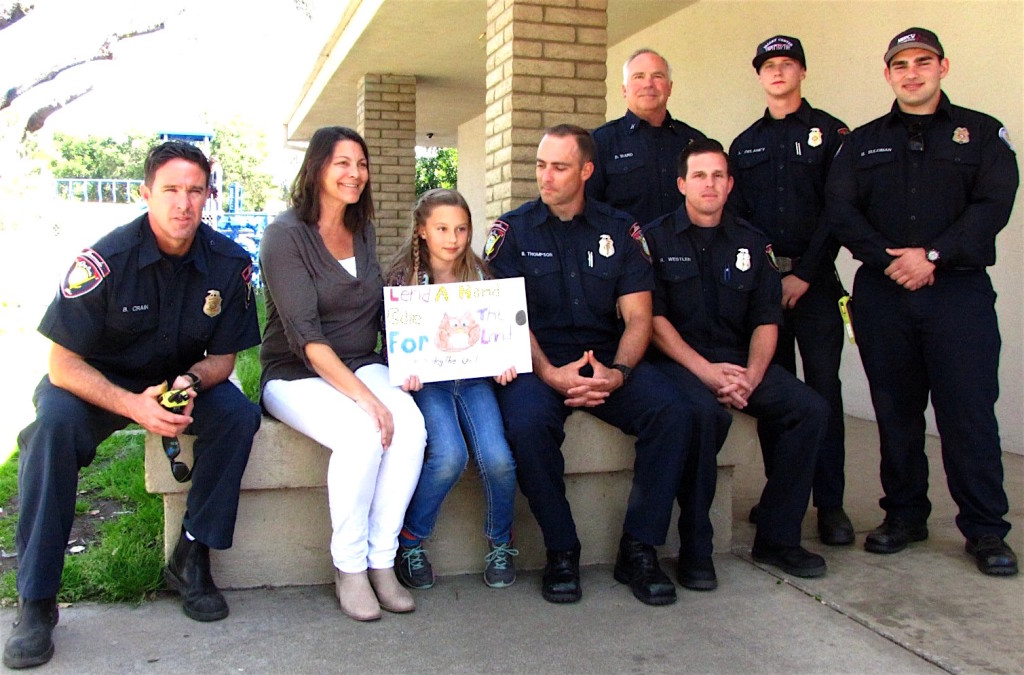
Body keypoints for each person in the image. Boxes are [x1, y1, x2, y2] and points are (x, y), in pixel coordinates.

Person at [4, 142, 262, 669]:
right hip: (97, 383)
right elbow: (62, 365)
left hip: (174, 380)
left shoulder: (229, 262)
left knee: (237, 415)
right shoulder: (105, 261)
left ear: (209, 196)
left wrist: (190, 380)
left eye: (195, 191)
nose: (183, 203)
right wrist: (131, 405)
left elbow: (225, 361)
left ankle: (192, 554)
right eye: (170, 190)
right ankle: (36, 599)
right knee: (49, 430)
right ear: (145, 194)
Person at [827, 28, 1019, 575]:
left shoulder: (980, 135)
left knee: (968, 413)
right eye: (901, 64)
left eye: (923, 62)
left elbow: (994, 204)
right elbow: (841, 210)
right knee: (896, 411)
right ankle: (905, 515)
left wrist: (932, 254)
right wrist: (891, 261)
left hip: (957, 292)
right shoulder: (861, 142)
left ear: (943, 67)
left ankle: (985, 531)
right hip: (884, 294)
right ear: (887, 74)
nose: (912, 72)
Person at [484, 124, 691, 606]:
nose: (547, 176)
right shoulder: (512, 232)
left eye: (559, 166)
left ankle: (639, 549)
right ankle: (562, 550)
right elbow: (508, 316)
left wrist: (617, 372)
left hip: (606, 359)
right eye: (541, 165)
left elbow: (639, 316)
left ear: (586, 170)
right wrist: (549, 372)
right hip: (540, 362)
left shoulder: (620, 230)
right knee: (528, 425)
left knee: (673, 413)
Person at [258, 126, 427, 621]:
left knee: (412, 429)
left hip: (359, 362)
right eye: (342, 163)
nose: (355, 174)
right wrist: (369, 401)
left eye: (361, 164)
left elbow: (376, 310)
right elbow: (307, 339)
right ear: (316, 169)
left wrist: (416, 356)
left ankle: (381, 560)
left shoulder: (364, 229)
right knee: (363, 433)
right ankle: (349, 567)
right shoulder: (285, 236)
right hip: (294, 374)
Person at [645, 138, 830, 581]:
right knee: (705, 416)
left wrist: (750, 377)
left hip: (739, 364)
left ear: (729, 185)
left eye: (717, 176)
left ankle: (778, 537)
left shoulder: (752, 241)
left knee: (809, 411)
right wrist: (707, 373)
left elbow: (767, 319)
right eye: (699, 176)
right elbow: (653, 320)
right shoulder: (653, 239)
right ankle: (696, 548)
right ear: (681, 184)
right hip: (678, 363)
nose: (709, 184)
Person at [728, 35, 854, 546]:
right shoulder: (744, 144)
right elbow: (739, 222)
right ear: (759, 76)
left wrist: (805, 274)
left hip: (817, 283)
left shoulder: (833, 133)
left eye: (787, 64)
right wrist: (768, 278)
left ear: (802, 72)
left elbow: (840, 210)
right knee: (775, 396)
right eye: (768, 66)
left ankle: (831, 505)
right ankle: (785, 495)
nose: (777, 72)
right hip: (766, 289)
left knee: (824, 392)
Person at [384, 188, 519, 590]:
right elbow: (390, 338)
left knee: (499, 459)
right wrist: (404, 370)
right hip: (429, 384)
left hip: (476, 380)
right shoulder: (401, 278)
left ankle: (501, 541)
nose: (453, 238)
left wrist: (504, 359)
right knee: (448, 455)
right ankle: (409, 540)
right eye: (441, 228)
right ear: (422, 231)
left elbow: (499, 332)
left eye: (461, 228)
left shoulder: (481, 275)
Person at [587, 48, 706, 227]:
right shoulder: (600, 142)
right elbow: (588, 209)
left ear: (670, 87)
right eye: (638, 76)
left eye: (657, 76)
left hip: (686, 252)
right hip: (624, 253)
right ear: (624, 89)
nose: (648, 84)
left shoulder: (694, 142)